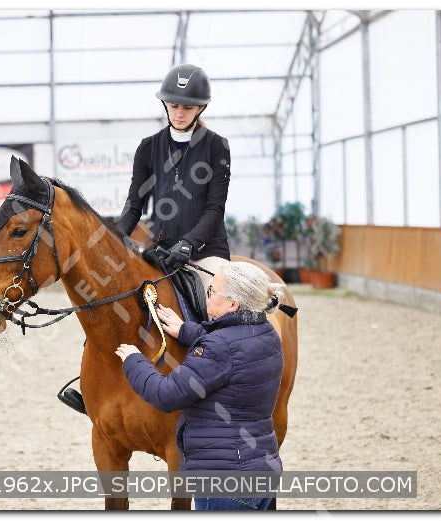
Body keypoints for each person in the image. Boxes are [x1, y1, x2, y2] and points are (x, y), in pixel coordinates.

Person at [115, 261, 284, 511]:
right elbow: (232, 349)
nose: (207, 295)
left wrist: (134, 361)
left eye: (211, 291)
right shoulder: (266, 332)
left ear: (233, 304)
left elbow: (166, 395)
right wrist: (186, 331)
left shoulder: (218, 348)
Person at [116, 63, 232, 289]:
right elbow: (134, 206)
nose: (179, 113)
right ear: (165, 104)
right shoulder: (148, 147)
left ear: (201, 108)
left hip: (205, 252)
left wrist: (189, 243)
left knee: (219, 299)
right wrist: (116, 236)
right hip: (163, 251)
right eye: (174, 105)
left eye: (187, 108)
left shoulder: (217, 146)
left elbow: (215, 209)